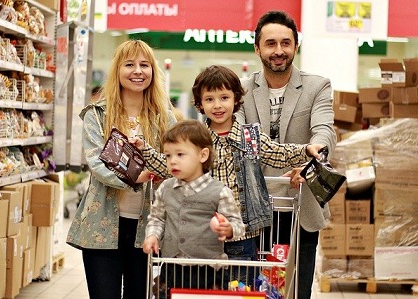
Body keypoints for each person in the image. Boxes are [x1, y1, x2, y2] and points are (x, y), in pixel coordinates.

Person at [132, 65, 325, 289]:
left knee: (239, 290)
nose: (217, 105)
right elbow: (170, 166)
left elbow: (276, 152)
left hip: (243, 237)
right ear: (200, 104)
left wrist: (305, 150)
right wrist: (145, 150)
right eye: (209, 99)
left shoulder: (249, 136)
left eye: (224, 97)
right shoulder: (196, 139)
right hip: (202, 238)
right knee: (201, 290)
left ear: (236, 99)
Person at [235, 11, 337, 299]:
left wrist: (309, 163)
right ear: (257, 48)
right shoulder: (240, 90)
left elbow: (324, 131)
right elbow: (241, 140)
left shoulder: (317, 86)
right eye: (270, 44)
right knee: (252, 291)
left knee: (297, 289)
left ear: (296, 45)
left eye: (285, 43)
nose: (278, 51)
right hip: (252, 210)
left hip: (300, 203)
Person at [66, 39, 177, 299]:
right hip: (101, 225)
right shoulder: (97, 115)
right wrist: (138, 177)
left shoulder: (164, 117)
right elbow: (96, 163)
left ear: (153, 71)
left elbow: (176, 161)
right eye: (129, 64)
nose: (137, 71)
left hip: (148, 227)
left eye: (144, 65)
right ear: (117, 70)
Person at [142, 119, 246, 296]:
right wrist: (152, 235)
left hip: (208, 270)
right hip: (172, 266)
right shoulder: (165, 188)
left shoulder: (220, 192)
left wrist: (229, 229)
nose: (172, 161)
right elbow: (157, 218)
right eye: (168, 155)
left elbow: (239, 226)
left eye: (180, 154)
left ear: (203, 155)